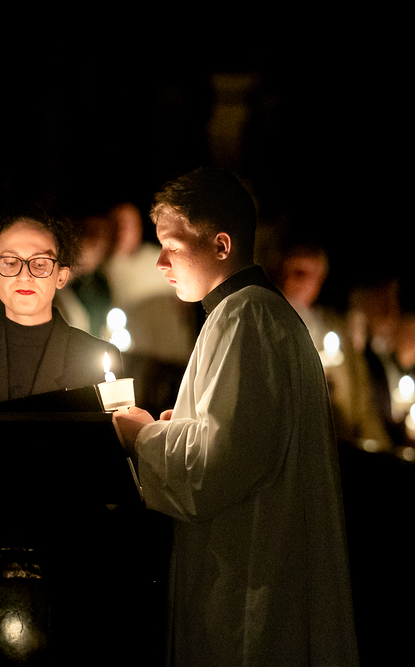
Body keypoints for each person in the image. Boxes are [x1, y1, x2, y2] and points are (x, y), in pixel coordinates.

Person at [113, 168, 358, 665]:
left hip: (253, 580)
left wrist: (144, 437)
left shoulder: (245, 317)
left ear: (221, 245)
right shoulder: (257, 314)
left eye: (172, 246)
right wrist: (178, 428)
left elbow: (217, 467)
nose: (160, 262)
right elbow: (244, 438)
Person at [0, 209, 121, 409]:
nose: (25, 275)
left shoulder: (99, 357)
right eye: (10, 262)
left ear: (61, 276)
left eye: (40, 264)